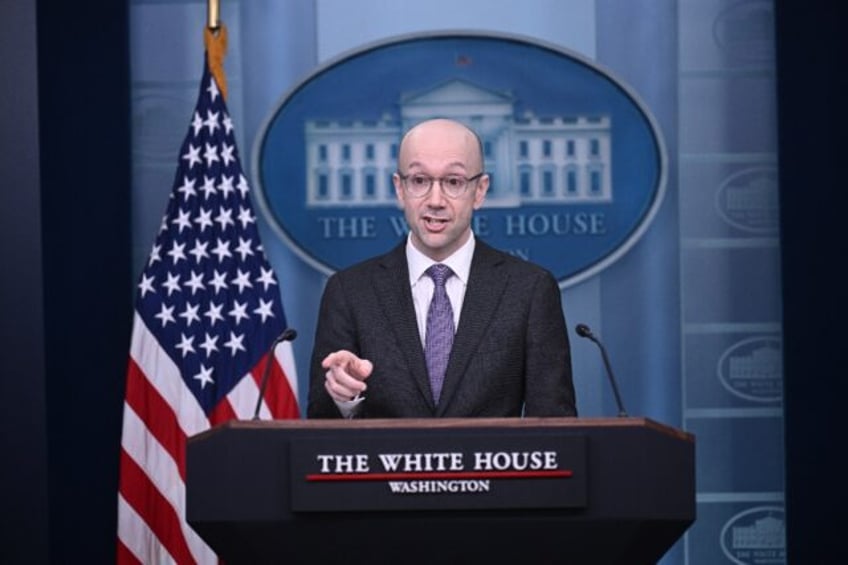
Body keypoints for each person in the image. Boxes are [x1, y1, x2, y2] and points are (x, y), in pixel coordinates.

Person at [307, 118, 577, 418]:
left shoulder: (529, 289)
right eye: (420, 181)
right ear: (400, 188)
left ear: (480, 191)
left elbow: (556, 428)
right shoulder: (349, 291)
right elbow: (320, 425)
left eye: (453, 182)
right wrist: (346, 397)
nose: (435, 201)